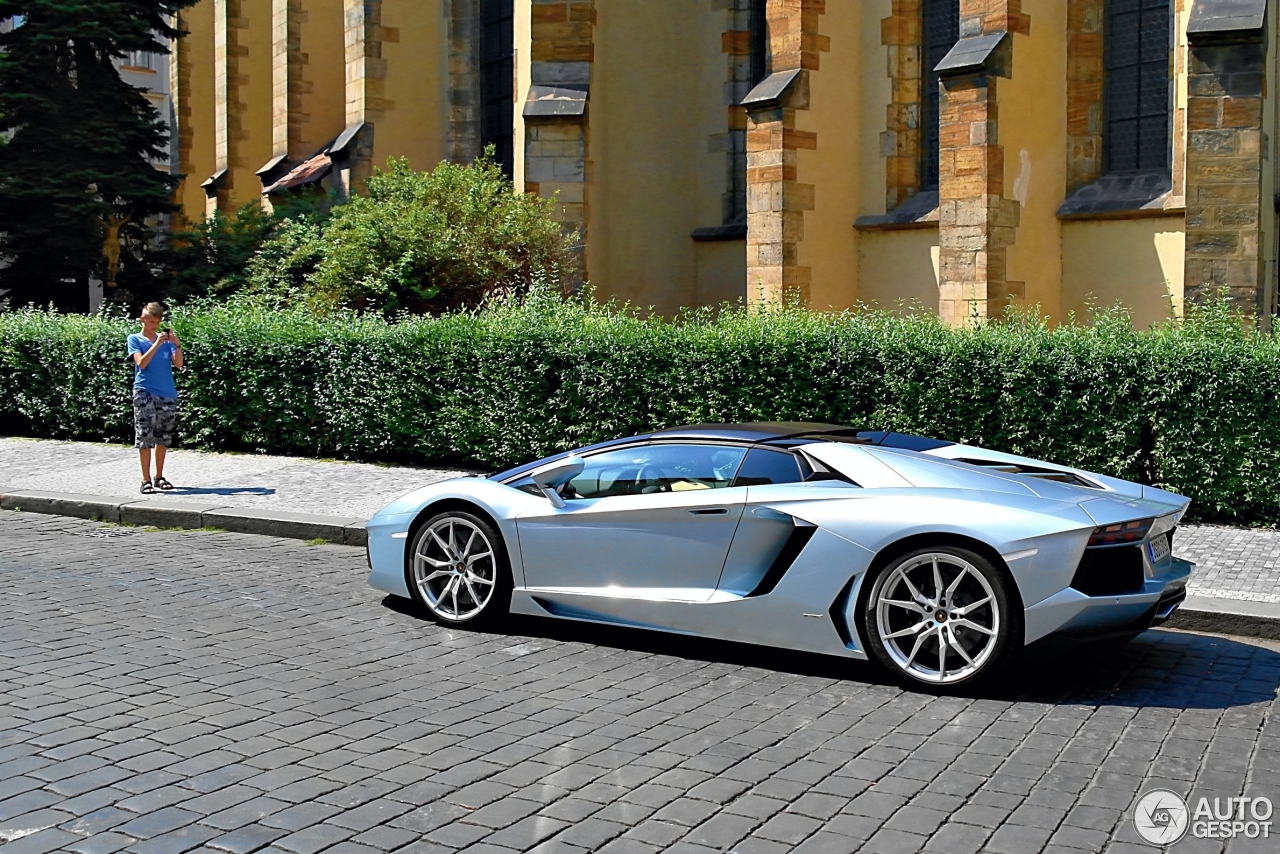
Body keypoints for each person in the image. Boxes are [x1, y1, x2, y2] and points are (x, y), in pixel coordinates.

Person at [127, 302, 184, 494]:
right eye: (151, 321)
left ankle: (159, 476)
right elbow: (141, 363)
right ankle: (145, 479)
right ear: (142, 320)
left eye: (157, 322)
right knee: (145, 435)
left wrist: (176, 344)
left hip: (166, 392)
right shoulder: (135, 339)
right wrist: (156, 344)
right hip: (144, 391)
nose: (155, 325)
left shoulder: (166, 342)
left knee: (163, 436)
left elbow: (178, 364)